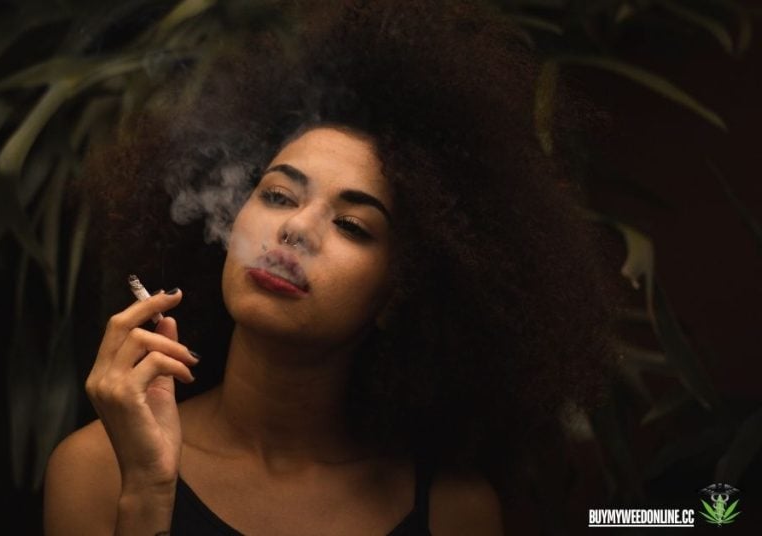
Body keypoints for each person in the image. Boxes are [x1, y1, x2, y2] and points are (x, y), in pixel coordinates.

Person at [45, 1, 618, 534]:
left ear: (400, 292)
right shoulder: (98, 471)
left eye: (351, 225)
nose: (297, 227)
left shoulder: (455, 512)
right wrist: (148, 493)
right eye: (278, 195)